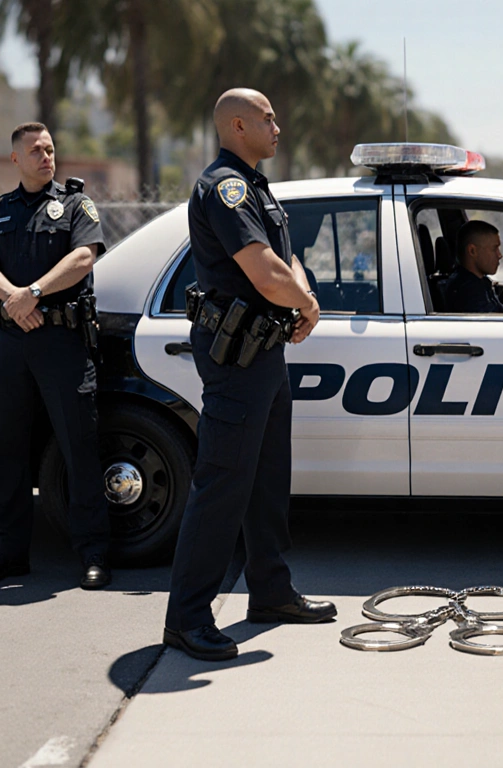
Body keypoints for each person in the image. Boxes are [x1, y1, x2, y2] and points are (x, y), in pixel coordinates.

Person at [162, 88, 334, 662]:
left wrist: (301, 295)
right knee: (221, 484)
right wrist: (305, 306)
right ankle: (187, 618)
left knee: (266, 478)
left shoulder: (256, 186)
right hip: (237, 358)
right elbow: (262, 271)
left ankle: (271, 591)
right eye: (267, 117)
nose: (277, 126)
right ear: (237, 125)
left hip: (264, 350)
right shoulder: (225, 187)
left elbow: (286, 260)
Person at [0, 122, 111, 589]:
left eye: (50, 149)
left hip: (61, 342)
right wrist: (14, 299)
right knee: (7, 451)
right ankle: (8, 554)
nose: (46, 157)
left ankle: (94, 554)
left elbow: (84, 257)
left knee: (78, 447)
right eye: (35, 151)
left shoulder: (74, 204)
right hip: (12, 344)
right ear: (15, 159)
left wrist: (32, 293)